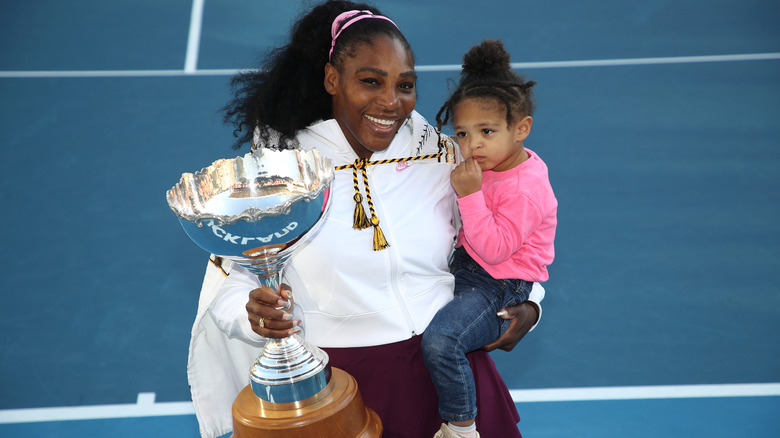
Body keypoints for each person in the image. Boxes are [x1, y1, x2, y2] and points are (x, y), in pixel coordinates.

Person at [187, 3, 545, 437]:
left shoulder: (443, 155)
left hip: (452, 378)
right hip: (346, 391)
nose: (391, 102)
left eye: (405, 85)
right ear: (332, 79)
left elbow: (513, 228)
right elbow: (232, 284)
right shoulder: (283, 175)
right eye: (370, 82)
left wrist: (531, 304)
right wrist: (252, 314)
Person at [420, 40, 557, 438]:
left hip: (499, 285)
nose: (472, 144)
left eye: (486, 131)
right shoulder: (489, 162)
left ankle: (461, 427)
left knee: (442, 342)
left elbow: (495, 248)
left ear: (522, 129)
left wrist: (470, 196)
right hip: (467, 269)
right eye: (462, 133)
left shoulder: (526, 188)